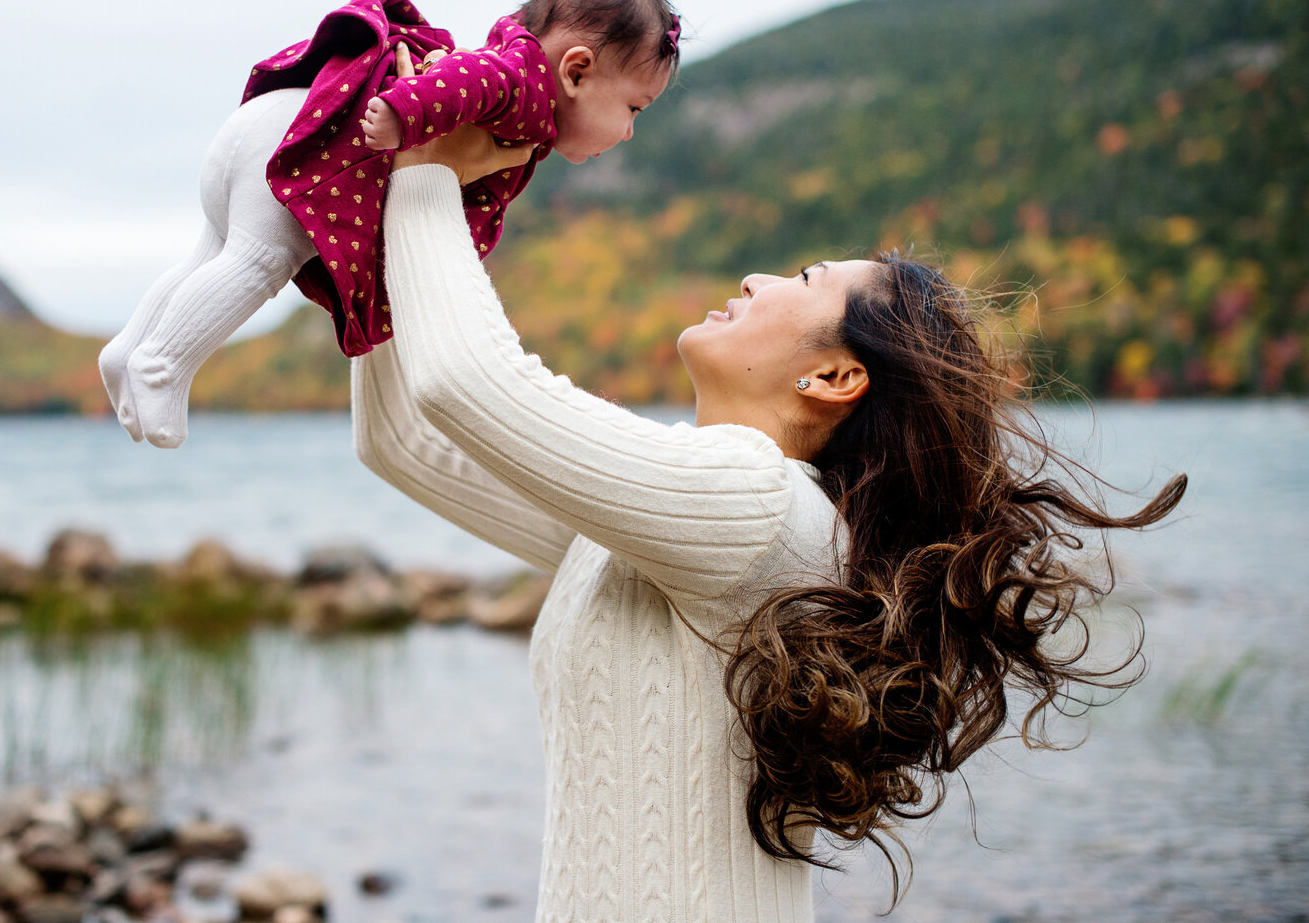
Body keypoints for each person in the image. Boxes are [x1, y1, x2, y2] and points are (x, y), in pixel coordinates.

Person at [351, 96, 1187, 920]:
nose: (755, 277)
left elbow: (466, 384)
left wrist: (428, 167)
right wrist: (378, 202)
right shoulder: (685, 520)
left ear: (833, 378)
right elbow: (402, 439)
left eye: (804, 279)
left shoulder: (753, 503)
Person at [98, 0, 679, 448]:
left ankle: (127, 350)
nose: (629, 132)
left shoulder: (517, 71)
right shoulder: (522, 81)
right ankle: (164, 365)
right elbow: (468, 83)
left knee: (209, 253)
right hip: (312, 147)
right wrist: (404, 116)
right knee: (257, 261)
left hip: (261, 125)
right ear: (576, 71)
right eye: (633, 108)